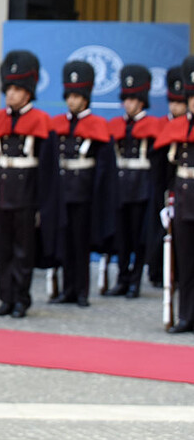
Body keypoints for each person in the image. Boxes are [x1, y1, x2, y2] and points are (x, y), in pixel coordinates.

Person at [0, 50, 57, 319]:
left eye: (16, 89)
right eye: (8, 88)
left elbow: (46, 169)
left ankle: (21, 299)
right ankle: (5, 298)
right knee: (3, 250)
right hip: (2, 193)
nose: (10, 94)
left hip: (26, 194)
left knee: (23, 251)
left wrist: (42, 204)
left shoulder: (41, 121)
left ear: (28, 92)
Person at [49, 61, 115, 307]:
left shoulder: (97, 125)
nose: (71, 101)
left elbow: (104, 167)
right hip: (62, 191)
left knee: (81, 242)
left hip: (84, 192)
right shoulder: (57, 123)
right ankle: (67, 289)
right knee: (65, 242)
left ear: (85, 98)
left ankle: (82, 291)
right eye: (69, 96)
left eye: (76, 96)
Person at [105, 65, 163, 299]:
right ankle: (122, 278)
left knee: (139, 236)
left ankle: (135, 280)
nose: (128, 104)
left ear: (141, 101)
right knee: (122, 236)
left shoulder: (152, 125)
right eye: (126, 99)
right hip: (121, 186)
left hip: (141, 186)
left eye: (133, 99)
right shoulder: (116, 125)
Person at [154, 55, 194, 333]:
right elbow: (166, 172)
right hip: (183, 199)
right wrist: (167, 202)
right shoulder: (177, 128)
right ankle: (186, 316)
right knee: (185, 262)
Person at [147, 65, 188, 287]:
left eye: (180, 102)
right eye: (172, 101)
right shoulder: (163, 126)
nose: (175, 106)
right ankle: (159, 271)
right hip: (164, 186)